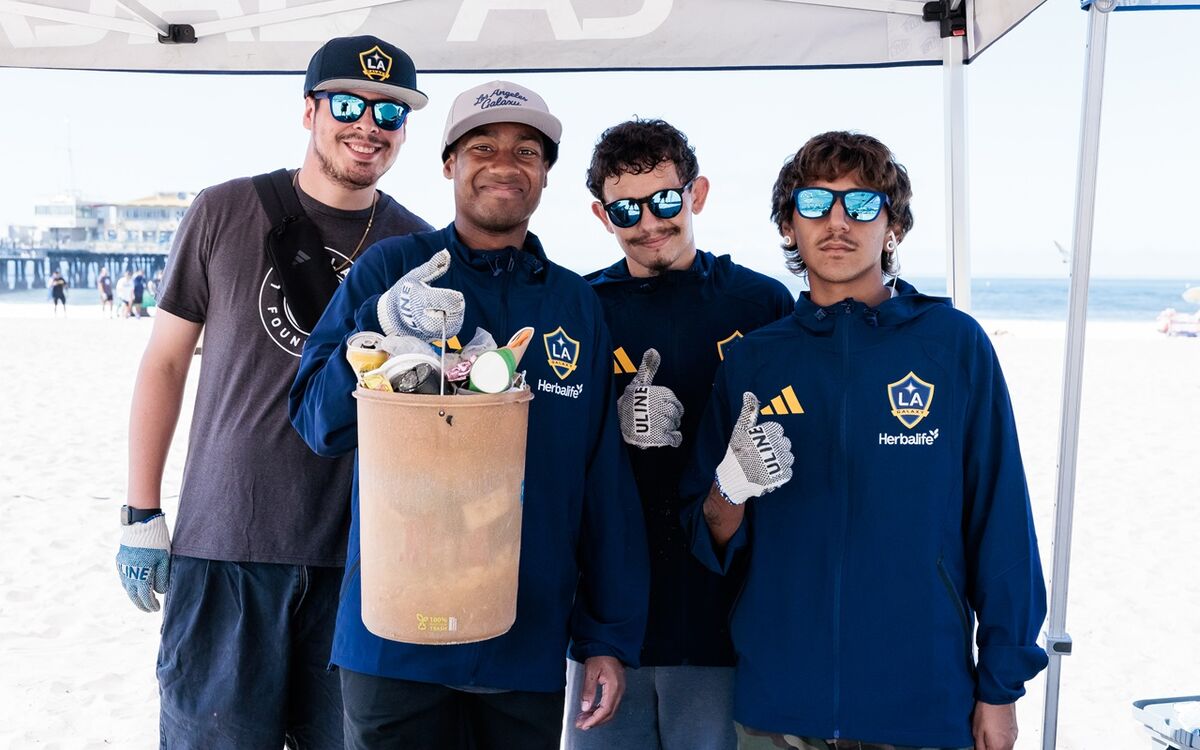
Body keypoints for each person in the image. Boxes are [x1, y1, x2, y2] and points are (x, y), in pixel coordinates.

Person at [290, 80, 649, 750]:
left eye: (528, 151)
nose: (505, 163)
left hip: (526, 640)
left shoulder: (576, 304)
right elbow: (318, 422)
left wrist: (605, 637)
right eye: (483, 146)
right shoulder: (390, 271)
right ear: (449, 162)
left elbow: (602, 480)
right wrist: (386, 338)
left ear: (546, 175)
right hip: (394, 640)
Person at [114, 35, 432, 749]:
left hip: (358, 563)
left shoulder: (415, 245)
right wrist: (140, 511)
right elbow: (165, 362)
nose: (368, 125)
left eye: (390, 113)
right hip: (224, 545)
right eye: (348, 104)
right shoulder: (225, 211)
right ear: (309, 111)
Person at [683, 131, 1048, 750]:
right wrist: (731, 485)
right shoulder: (753, 362)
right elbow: (708, 533)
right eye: (815, 203)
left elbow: (1003, 523)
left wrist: (1001, 687)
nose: (837, 222)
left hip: (922, 705)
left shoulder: (953, 345)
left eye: (861, 205)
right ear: (788, 224)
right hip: (779, 707)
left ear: (893, 225)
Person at [567, 118, 794, 750]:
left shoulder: (761, 303)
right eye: (626, 209)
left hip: (727, 618)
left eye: (666, 200)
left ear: (697, 194)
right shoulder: (584, 308)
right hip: (612, 621)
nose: (648, 222)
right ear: (600, 214)